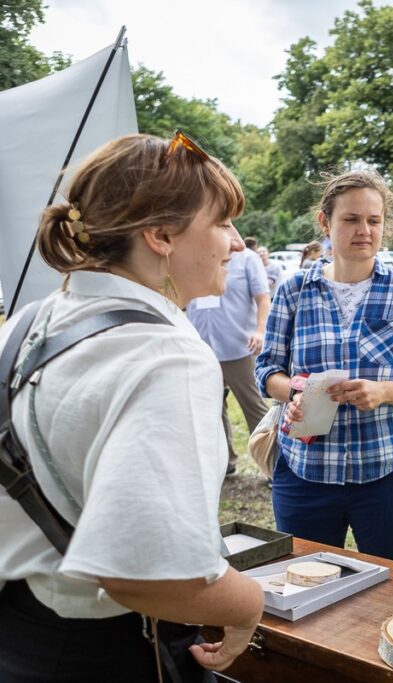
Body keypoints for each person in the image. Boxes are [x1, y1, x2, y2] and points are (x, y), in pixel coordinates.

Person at [0, 133, 264, 680]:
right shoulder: (167, 356)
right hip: (104, 652)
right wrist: (248, 605)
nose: (237, 244)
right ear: (161, 235)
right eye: (222, 222)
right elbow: (149, 574)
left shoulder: (29, 323)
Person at [255, 169, 393, 564]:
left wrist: (383, 392)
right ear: (325, 222)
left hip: (388, 473)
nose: (364, 230)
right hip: (306, 473)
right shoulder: (294, 291)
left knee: (391, 584)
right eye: (351, 219)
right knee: (306, 584)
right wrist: (296, 392)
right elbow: (267, 370)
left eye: (374, 220)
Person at [187, 234, 270, 476]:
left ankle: (273, 466)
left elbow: (263, 298)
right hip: (202, 346)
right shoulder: (194, 255)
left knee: (254, 407)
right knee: (211, 409)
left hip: (238, 347)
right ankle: (226, 464)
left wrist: (260, 331)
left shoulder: (247, 259)